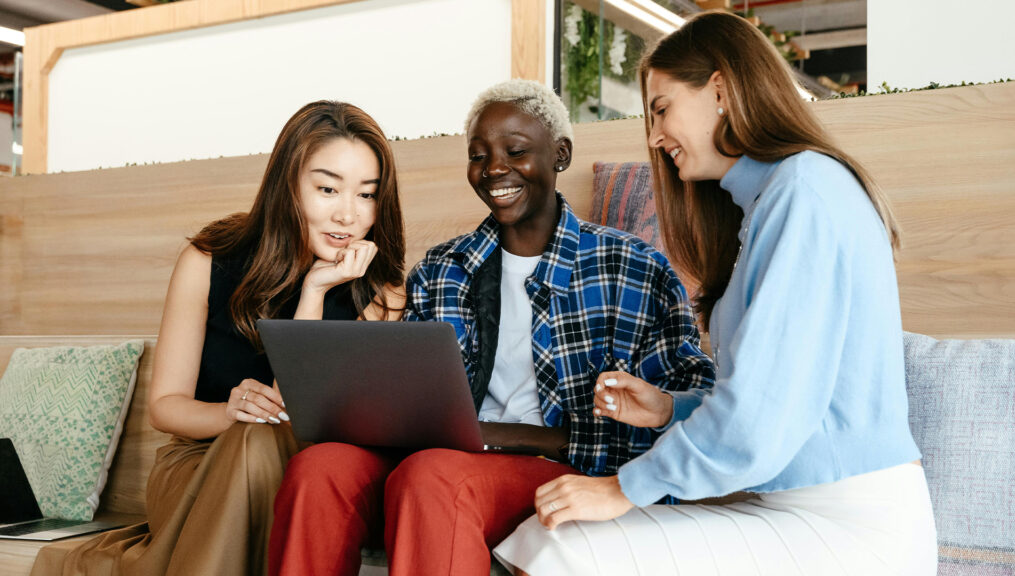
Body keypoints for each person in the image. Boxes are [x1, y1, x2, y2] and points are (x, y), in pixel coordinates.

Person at [493, 11, 938, 576]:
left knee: (558, 546)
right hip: (793, 510)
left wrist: (625, 488)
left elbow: (760, 419)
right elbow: (780, 396)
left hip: (852, 527)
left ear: (721, 89)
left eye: (661, 109)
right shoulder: (769, 202)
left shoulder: (804, 191)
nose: (654, 136)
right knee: (547, 537)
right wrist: (668, 410)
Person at [268, 79, 714, 576]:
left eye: (515, 151)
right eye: (479, 155)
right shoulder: (441, 269)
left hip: (550, 469)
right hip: (439, 458)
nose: (495, 169)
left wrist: (502, 438)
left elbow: (694, 393)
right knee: (319, 468)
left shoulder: (631, 266)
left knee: (434, 475)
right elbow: (407, 405)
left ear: (560, 154)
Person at [46, 101, 406, 576]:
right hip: (196, 463)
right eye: (327, 189)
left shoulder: (382, 295)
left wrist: (315, 292)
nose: (347, 214)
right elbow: (166, 406)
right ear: (288, 188)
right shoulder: (209, 259)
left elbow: (291, 413)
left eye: (366, 195)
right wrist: (228, 413)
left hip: (303, 475)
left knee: (261, 444)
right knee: (251, 442)